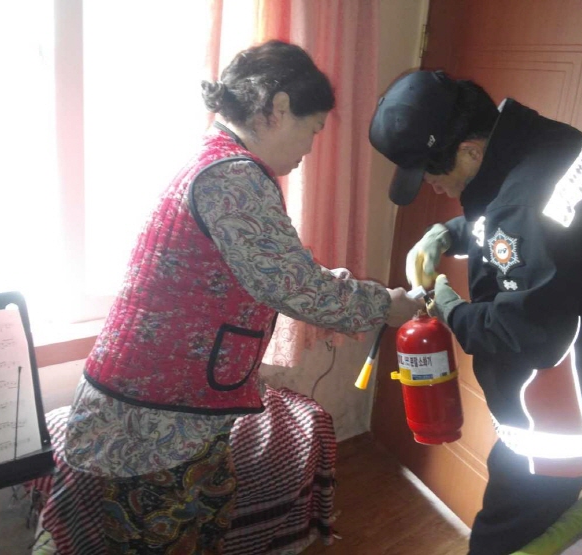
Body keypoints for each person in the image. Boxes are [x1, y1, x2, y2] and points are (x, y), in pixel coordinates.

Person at [63, 40, 423, 554]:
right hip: (157, 413)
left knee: (200, 520)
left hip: (167, 401)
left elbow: (284, 269)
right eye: (312, 129)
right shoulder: (234, 177)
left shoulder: (218, 162)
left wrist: (353, 292)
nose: (310, 147)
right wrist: (385, 305)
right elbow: (295, 286)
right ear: (278, 108)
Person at [369, 70, 582, 555]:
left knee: (498, 536)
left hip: (573, 416)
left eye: (430, 172)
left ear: (470, 150)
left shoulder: (524, 201)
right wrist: (449, 233)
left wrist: (449, 307)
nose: (430, 184)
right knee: (545, 520)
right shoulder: (544, 143)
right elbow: (532, 233)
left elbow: (527, 333)